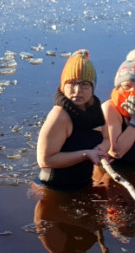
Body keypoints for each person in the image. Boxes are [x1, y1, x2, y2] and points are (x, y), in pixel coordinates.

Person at [36, 49, 109, 190]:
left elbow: (107, 139)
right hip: (53, 188)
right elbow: (45, 160)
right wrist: (86, 154)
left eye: (84, 84)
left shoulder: (95, 109)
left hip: (83, 183)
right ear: (63, 85)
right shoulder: (60, 115)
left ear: (93, 87)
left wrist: (98, 151)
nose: (77, 91)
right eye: (71, 83)